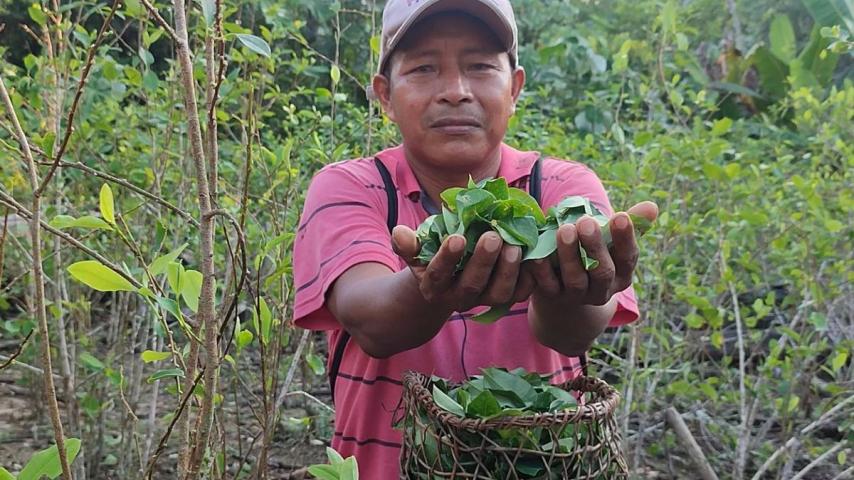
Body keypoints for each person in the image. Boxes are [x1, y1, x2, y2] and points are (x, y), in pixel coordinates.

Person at [293, 0, 659, 477]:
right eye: (423, 68)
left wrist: (579, 282)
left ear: (515, 88)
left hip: (537, 463)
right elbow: (372, 322)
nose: (455, 91)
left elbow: (572, 332)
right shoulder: (352, 187)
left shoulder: (563, 190)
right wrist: (434, 283)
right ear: (384, 95)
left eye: (481, 66)